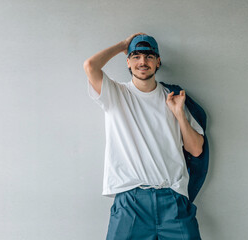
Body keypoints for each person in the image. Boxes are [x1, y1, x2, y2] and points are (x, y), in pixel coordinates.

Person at [83, 33, 204, 240]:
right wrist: (123, 45)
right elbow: (90, 66)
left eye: (149, 56)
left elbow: (196, 149)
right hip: (131, 201)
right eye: (136, 56)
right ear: (128, 62)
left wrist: (179, 115)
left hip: (173, 199)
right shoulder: (116, 94)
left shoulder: (174, 98)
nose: (143, 62)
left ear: (158, 62)